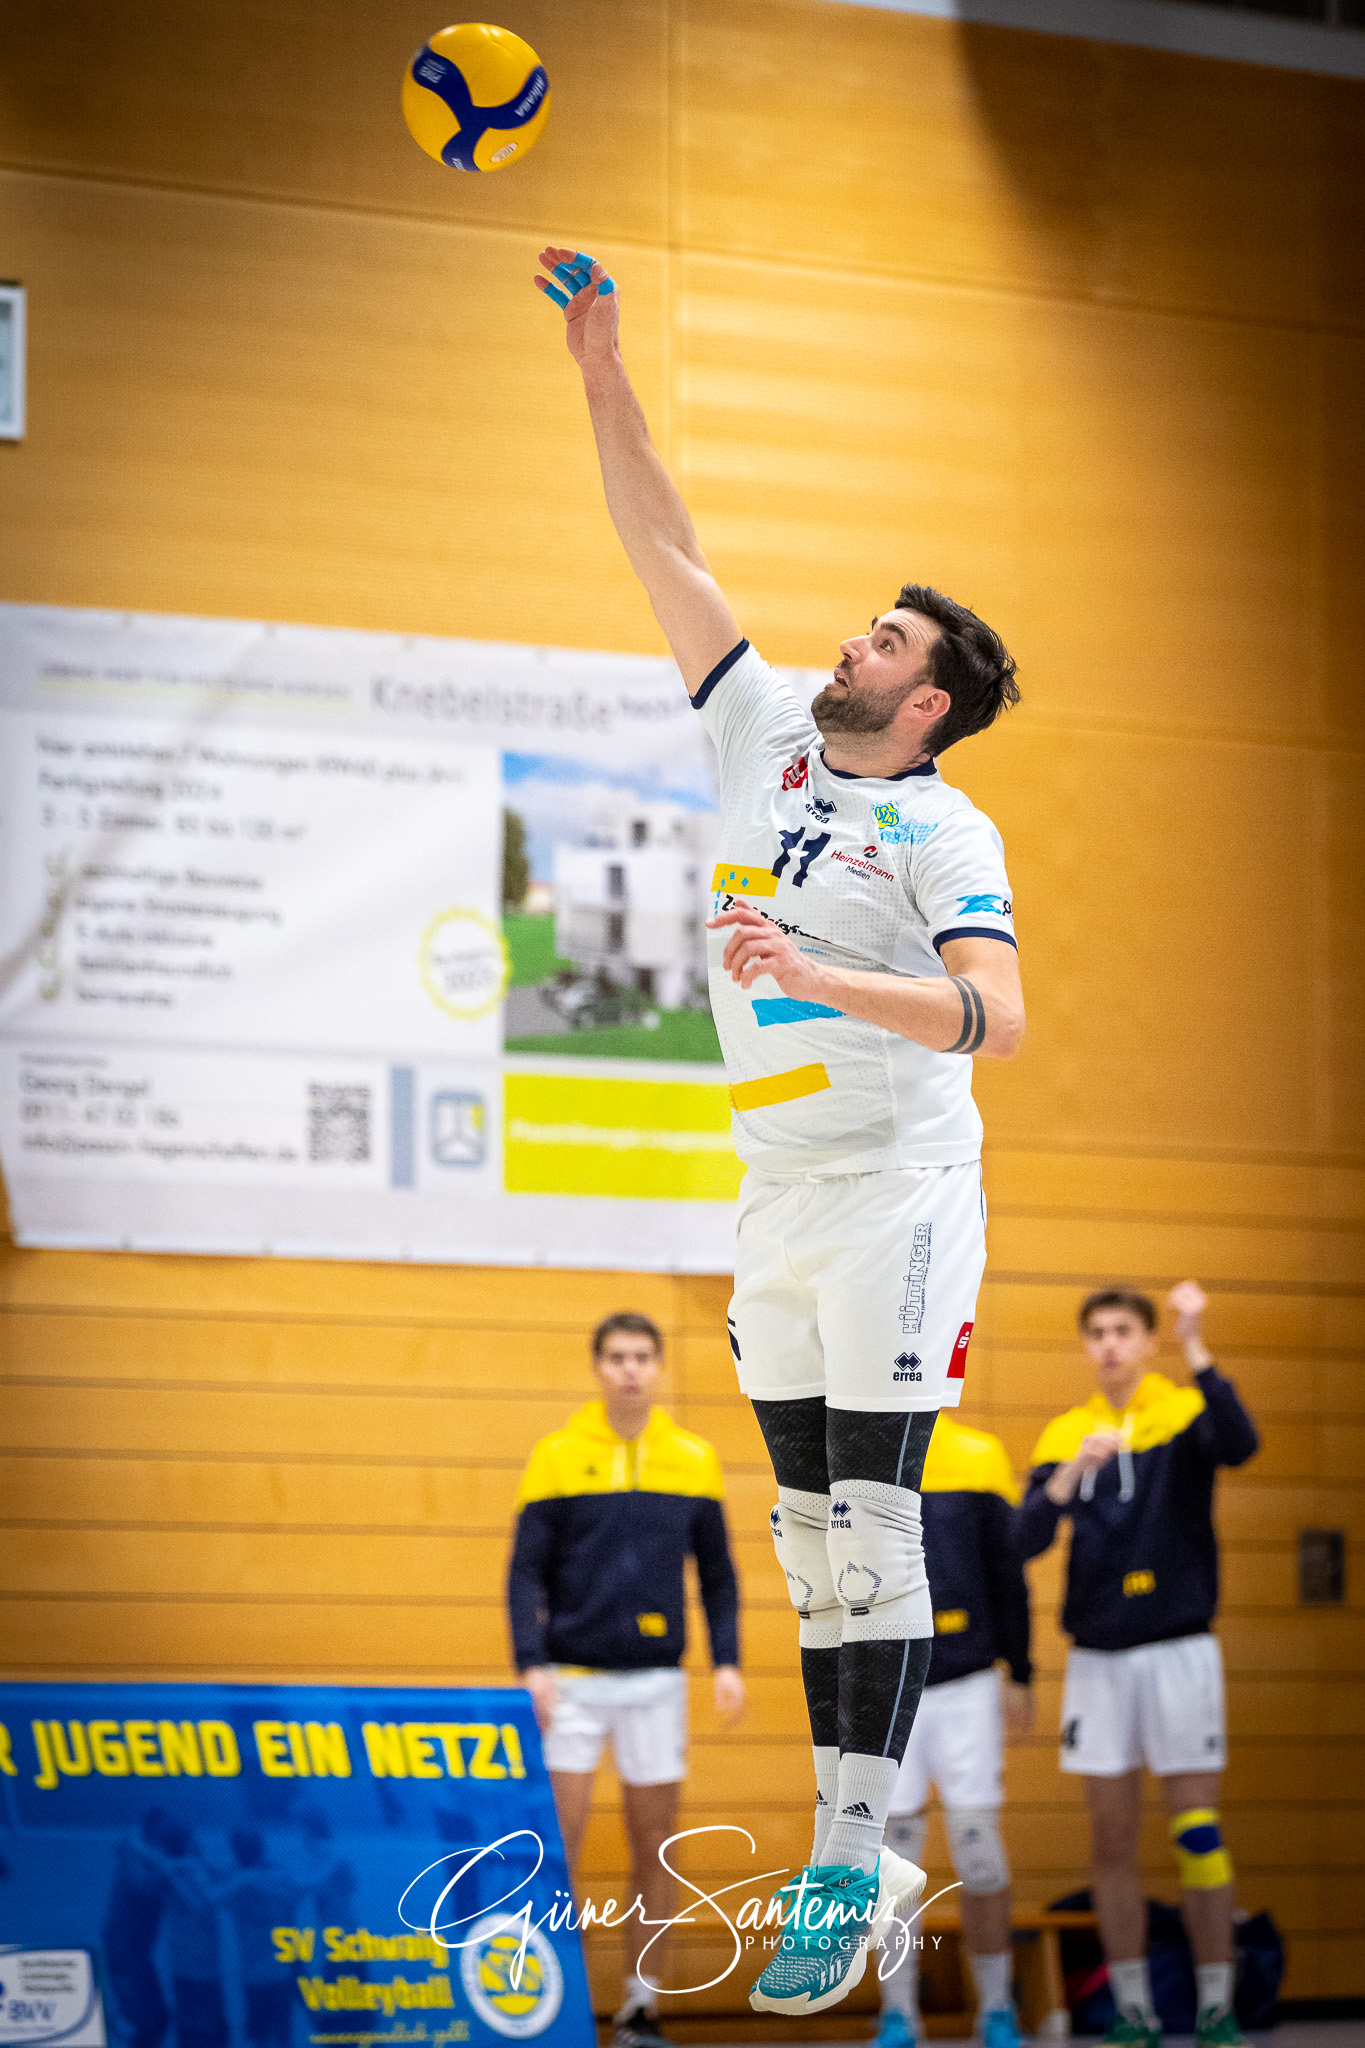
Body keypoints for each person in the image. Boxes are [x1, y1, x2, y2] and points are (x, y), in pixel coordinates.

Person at [532, 246, 1024, 2018]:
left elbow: (997, 1016)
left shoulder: (944, 831)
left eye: (883, 640)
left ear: (931, 700)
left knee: (876, 1522)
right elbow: (667, 548)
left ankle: (848, 1842)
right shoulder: (763, 741)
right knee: (809, 1533)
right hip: (780, 1190)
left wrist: (819, 966)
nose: (847, 640)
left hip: (902, 1184)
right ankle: (855, 1834)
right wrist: (602, 370)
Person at [1018, 1281, 1260, 2048]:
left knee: (1196, 1830)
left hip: (1179, 1651)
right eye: (1096, 1332)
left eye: (1124, 1330)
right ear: (1086, 1344)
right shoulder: (1066, 1431)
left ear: (1147, 1340)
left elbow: (1240, 1443)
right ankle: (1133, 2012)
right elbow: (1021, 1541)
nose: (1110, 1344)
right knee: (1111, 1842)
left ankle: (1217, 2005)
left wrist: (1197, 1345)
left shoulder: (1184, 1409)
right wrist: (1067, 1476)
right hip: (1098, 1659)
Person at [507, 1310, 745, 2048]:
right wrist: (531, 1665)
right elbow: (523, 1573)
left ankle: (640, 2009)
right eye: (616, 1357)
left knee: (653, 1846)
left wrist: (727, 1661)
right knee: (556, 1848)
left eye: (643, 1356)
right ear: (597, 1367)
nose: (630, 1369)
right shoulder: (554, 1455)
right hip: (571, 1684)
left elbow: (718, 1577)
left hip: (655, 1686)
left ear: (659, 1365)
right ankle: (543, 2009)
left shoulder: (693, 1458)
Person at [876, 1417, 1032, 2048]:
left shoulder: (980, 1454)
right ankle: (898, 2013)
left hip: (968, 1684)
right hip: (887, 1681)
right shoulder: (855, 1451)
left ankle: (996, 2007)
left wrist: (1021, 1670)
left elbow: (1008, 1571)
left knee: (978, 1850)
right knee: (894, 1859)